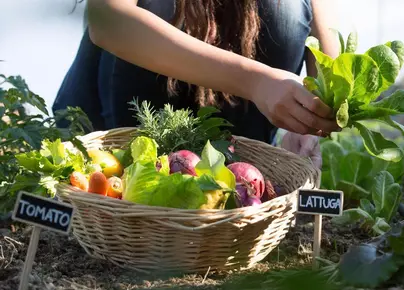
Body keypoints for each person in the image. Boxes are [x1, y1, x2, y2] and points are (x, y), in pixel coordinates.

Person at [52, 0, 341, 168]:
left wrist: (306, 123)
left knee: (285, 8)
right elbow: (107, 20)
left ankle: (241, 169)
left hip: (233, 159)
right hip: (116, 141)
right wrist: (255, 81)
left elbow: (326, 48)